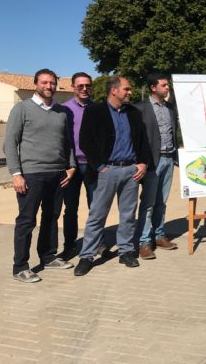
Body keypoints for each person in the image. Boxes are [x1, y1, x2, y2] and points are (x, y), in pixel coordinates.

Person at [4, 68, 76, 283]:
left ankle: (47, 256)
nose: (48, 86)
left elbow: (67, 142)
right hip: (31, 174)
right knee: (27, 220)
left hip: (57, 173)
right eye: (44, 82)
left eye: (52, 83)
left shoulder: (62, 112)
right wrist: (16, 174)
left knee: (51, 217)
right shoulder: (22, 109)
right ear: (36, 84)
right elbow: (10, 143)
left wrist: (70, 166)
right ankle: (20, 266)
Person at [74, 76, 151, 276]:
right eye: (126, 89)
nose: (130, 92)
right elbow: (85, 141)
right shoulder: (95, 111)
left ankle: (125, 252)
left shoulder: (133, 112)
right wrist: (99, 166)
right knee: (97, 215)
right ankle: (87, 256)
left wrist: (142, 163)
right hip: (106, 171)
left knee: (127, 215)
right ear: (114, 91)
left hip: (130, 171)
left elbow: (142, 139)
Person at [134, 73, 179, 259]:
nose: (167, 88)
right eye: (164, 85)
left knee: (162, 201)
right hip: (152, 161)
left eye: (167, 85)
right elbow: (136, 137)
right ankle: (144, 242)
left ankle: (159, 235)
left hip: (169, 159)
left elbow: (172, 132)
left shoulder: (170, 108)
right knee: (148, 202)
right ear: (153, 88)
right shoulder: (140, 108)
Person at [61, 72, 95, 260]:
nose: (84, 89)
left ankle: (95, 242)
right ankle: (69, 246)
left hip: (92, 166)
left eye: (87, 85)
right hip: (71, 167)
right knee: (70, 209)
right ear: (73, 87)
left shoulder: (98, 108)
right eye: (80, 85)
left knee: (95, 207)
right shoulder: (64, 109)